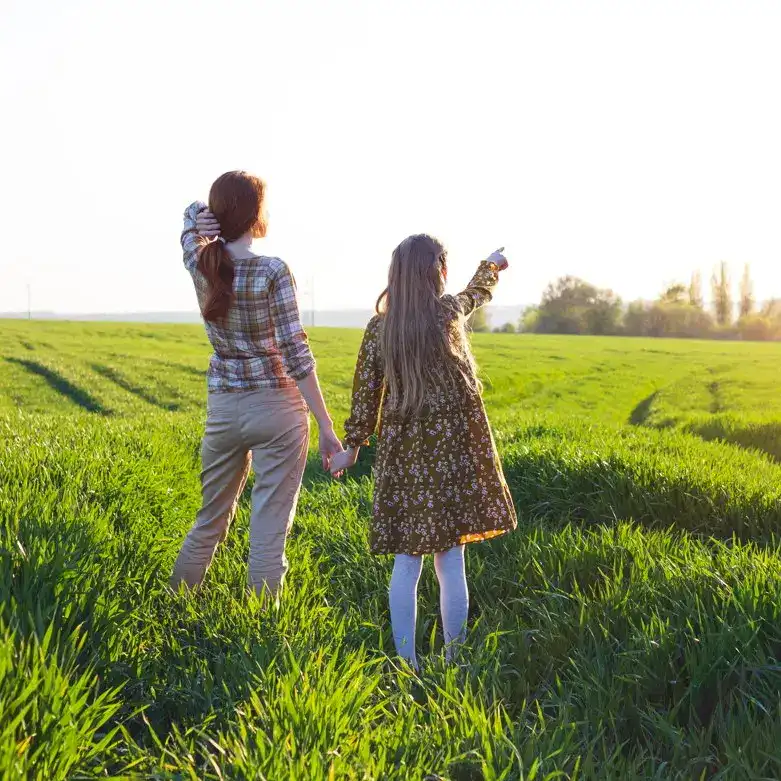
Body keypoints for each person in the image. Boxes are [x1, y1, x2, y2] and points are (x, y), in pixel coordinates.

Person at [329, 236, 517, 669]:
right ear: (440, 271)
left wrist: (351, 450)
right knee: (451, 560)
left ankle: (406, 663)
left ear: (395, 276)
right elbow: (478, 292)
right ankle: (455, 660)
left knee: (406, 561)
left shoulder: (380, 330)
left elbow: (364, 397)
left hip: (403, 456)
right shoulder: (448, 313)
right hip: (454, 451)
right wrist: (492, 264)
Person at [171, 170, 342, 600]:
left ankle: (172, 607)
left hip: (225, 409)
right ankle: (262, 628)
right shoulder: (272, 270)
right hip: (278, 409)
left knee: (209, 519)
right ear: (256, 214)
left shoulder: (201, 262)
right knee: (268, 530)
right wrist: (324, 424)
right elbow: (295, 352)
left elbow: (188, 226)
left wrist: (199, 218)